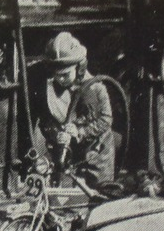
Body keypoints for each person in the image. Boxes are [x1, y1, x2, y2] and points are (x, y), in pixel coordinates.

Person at [38, 31, 115, 186]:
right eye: (56, 75)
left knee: (98, 194)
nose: (60, 79)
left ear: (79, 68)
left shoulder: (95, 88)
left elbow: (106, 120)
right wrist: (56, 133)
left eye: (65, 75)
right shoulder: (55, 89)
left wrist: (80, 132)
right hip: (72, 158)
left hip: (97, 158)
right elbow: (46, 119)